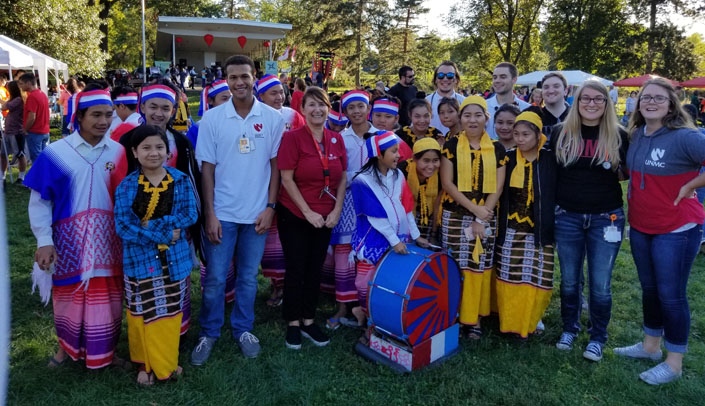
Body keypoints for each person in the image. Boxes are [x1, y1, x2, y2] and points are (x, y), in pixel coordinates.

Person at [24, 85, 128, 369]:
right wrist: (44, 240)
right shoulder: (56, 153)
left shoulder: (119, 153)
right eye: (96, 115)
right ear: (79, 117)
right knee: (68, 295)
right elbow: (40, 202)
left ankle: (106, 352)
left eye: (108, 115)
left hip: (109, 241)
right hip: (69, 241)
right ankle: (65, 350)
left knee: (109, 297)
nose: (103, 121)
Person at [192, 55, 285, 364]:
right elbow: (207, 170)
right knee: (216, 277)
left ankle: (243, 328)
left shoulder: (272, 118)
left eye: (244, 76)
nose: (239, 82)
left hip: (257, 215)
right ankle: (209, 332)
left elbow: (275, 167)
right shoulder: (213, 118)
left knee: (247, 277)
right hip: (223, 214)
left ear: (254, 76)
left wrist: (270, 207)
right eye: (233, 77)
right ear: (226, 80)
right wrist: (210, 214)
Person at [613, 78, 705, 385]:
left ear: (671, 105)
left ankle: (674, 362)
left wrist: (692, 185)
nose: (650, 102)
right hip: (641, 226)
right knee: (650, 290)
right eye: (645, 97)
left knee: (671, 296)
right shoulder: (637, 134)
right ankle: (650, 346)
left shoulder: (685, 137)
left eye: (658, 98)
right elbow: (629, 172)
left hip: (677, 227)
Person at [549, 81, 628, 362]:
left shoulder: (619, 135)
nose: (591, 103)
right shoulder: (560, 132)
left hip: (607, 217)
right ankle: (570, 328)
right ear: (576, 100)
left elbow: (626, 174)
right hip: (567, 216)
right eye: (586, 98)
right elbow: (552, 174)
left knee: (601, 283)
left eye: (598, 99)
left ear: (607, 103)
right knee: (570, 280)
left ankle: (597, 336)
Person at [114, 125, 197, 385]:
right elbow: (124, 225)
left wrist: (152, 224)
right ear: (135, 152)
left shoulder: (180, 180)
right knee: (141, 313)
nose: (153, 153)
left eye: (159, 147)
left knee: (169, 314)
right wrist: (162, 233)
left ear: (168, 150)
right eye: (146, 148)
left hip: (175, 262)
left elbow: (190, 214)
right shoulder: (128, 186)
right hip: (140, 263)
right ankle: (144, 365)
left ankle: (166, 364)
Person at [277, 87, 347, 349]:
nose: (317, 110)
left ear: (329, 108)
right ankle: (293, 322)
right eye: (311, 105)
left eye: (323, 105)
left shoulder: (336, 139)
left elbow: (341, 179)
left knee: (315, 267)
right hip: (296, 213)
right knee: (297, 267)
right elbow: (286, 178)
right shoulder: (293, 138)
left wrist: (336, 210)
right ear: (302, 110)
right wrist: (308, 212)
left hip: (327, 216)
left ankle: (309, 319)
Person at [350, 131, 430, 342]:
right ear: (379, 153)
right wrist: (394, 241)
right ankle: (367, 319)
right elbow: (373, 215)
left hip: (399, 239)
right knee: (365, 283)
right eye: (394, 151)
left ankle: (381, 322)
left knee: (389, 283)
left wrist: (415, 235)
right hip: (374, 241)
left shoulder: (398, 175)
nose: (398, 156)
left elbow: (407, 207)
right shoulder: (361, 181)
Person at [439, 95, 506, 339]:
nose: (472, 120)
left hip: (487, 215)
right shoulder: (451, 145)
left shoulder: (497, 148)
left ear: (486, 118)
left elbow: (497, 187)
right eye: (467, 115)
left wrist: (482, 215)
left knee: (479, 265)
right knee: (456, 265)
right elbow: (447, 183)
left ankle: (474, 318)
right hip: (455, 215)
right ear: (461, 118)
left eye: (478, 115)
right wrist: (473, 209)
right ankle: (453, 314)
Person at [495, 111, 557, 338]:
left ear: (538, 135)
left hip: (540, 227)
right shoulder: (508, 158)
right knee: (511, 274)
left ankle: (532, 319)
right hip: (511, 226)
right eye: (517, 134)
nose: (520, 139)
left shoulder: (550, 159)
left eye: (526, 134)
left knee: (537, 275)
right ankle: (510, 320)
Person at [398, 137, 442, 241]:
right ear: (414, 159)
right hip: (404, 218)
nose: (431, 166)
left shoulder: (440, 174)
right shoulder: (402, 171)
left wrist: (433, 234)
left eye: (435, 160)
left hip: (429, 220)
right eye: (426, 161)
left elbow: (437, 204)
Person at [486, 62, 531, 140]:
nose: (497, 80)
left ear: (514, 80)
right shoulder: (483, 107)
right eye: (495, 77)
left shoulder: (527, 109)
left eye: (503, 77)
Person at [426, 61, 465, 134]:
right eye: (440, 75)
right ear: (435, 79)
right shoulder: (425, 102)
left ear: (456, 79)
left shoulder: (464, 102)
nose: (445, 79)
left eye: (450, 75)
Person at [19, 73, 50, 163]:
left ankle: (39, 177)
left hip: (35, 131)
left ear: (28, 83)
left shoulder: (32, 96)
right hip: (44, 130)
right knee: (44, 158)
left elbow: (32, 116)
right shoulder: (42, 94)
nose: (20, 87)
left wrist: (25, 129)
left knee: (36, 160)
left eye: (21, 84)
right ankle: (46, 176)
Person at [1, 81, 27, 183]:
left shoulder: (18, 100)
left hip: (16, 131)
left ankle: (21, 177)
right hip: (8, 131)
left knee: (20, 154)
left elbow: (5, 107)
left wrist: (3, 102)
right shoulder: (13, 99)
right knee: (3, 154)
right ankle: (2, 175)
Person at [540, 72, 570, 138]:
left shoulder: (577, 115)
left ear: (565, 91)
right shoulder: (534, 116)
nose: (551, 91)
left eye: (556, 86)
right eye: (546, 87)